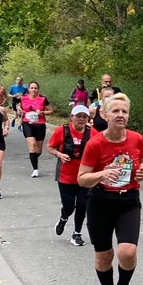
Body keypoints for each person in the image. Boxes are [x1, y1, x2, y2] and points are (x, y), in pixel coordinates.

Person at [78, 93, 143, 285]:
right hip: (100, 202)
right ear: (104, 115)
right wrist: (102, 174)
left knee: (127, 252)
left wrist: (141, 172)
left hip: (128, 200)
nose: (120, 115)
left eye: (124, 111)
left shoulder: (136, 139)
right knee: (104, 255)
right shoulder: (95, 143)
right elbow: (82, 178)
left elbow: (140, 162)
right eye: (115, 111)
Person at [47, 104, 93, 246]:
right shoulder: (61, 131)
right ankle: (63, 218)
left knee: (82, 204)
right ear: (71, 117)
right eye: (78, 116)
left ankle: (76, 233)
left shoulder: (92, 133)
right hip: (65, 175)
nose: (81, 119)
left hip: (84, 176)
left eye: (84, 116)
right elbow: (50, 147)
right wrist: (60, 154)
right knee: (69, 206)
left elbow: (100, 148)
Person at [19, 81, 52, 177]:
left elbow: (51, 111)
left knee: (38, 150)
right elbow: (19, 106)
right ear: (28, 89)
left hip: (40, 125)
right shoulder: (23, 98)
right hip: (27, 124)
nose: (33, 90)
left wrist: (42, 112)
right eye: (32, 88)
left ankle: (33, 157)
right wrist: (19, 110)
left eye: (35, 88)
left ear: (38, 89)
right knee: (32, 145)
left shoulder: (43, 99)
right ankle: (35, 169)